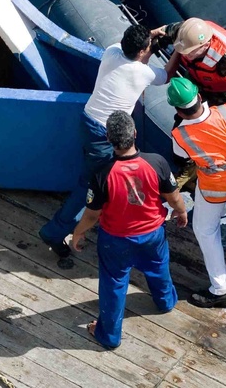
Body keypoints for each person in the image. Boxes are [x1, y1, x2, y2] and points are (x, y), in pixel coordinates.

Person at [38, 24, 168, 263]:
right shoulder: (144, 73)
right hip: (104, 135)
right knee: (88, 187)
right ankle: (53, 233)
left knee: (91, 177)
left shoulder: (112, 51)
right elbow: (166, 74)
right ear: (142, 52)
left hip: (88, 121)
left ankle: (75, 220)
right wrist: (177, 49)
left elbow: (136, 58)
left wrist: (149, 36)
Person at [71, 110, 187, 348]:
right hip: (153, 234)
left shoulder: (102, 174)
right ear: (134, 134)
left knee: (114, 284)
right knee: (158, 267)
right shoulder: (157, 162)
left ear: (109, 140)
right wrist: (182, 211)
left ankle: (109, 336)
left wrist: (78, 231)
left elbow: (93, 213)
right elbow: (174, 197)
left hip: (117, 239)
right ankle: (165, 302)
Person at [167, 77, 226, 308]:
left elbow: (183, 156)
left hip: (216, 188)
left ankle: (221, 289)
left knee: (204, 230)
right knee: (220, 208)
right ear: (200, 97)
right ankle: (220, 214)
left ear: (178, 110)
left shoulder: (180, 136)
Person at [150, 18, 226, 106]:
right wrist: (152, 35)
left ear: (206, 45)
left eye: (190, 51)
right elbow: (164, 30)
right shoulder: (184, 33)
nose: (185, 54)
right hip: (198, 80)